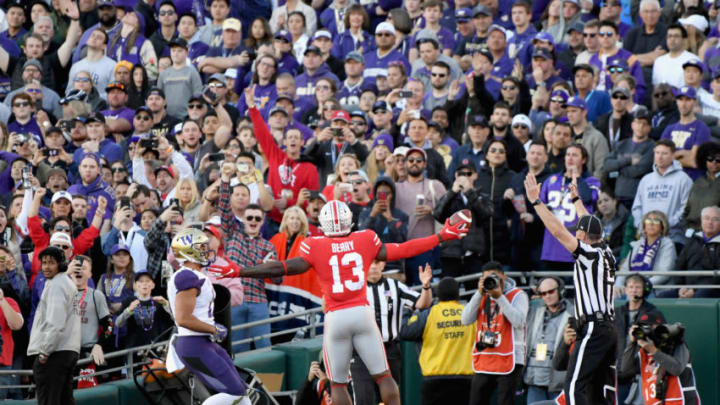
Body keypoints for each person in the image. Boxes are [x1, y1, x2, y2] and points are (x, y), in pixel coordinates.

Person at [215, 200, 470, 405]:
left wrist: (241, 271)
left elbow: (282, 266)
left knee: (337, 384)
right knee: (383, 376)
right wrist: (442, 236)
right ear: (349, 220)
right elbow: (404, 249)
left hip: (336, 317)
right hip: (361, 312)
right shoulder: (364, 239)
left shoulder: (314, 245)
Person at [524, 171, 617, 405]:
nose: (575, 233)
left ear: (583, 235)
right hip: (608, 328)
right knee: (596, 389)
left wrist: (536, 201)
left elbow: (557, 231)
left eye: (578, 231)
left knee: (574, 386)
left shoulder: (588, 254)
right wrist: (577, 201)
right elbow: (589, 223)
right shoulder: (606, 251)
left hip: (594, 326)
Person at [167, 228, 252, 405]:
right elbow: (183, 318)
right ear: (189, 251)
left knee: (242, 392)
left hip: (204, 342)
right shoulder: (187, 276)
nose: (206, 250)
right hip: (194, 342)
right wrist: (213, 328)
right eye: (202, 247)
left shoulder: (195, 275)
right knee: (234, 392)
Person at [350, 260, 432, 404]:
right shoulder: (353, 288)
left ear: (383, 264)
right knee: (363, 397)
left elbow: (423, 303)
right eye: (370, 262)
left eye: (377, 262)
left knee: (389, 399)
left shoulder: (395, 286)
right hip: (361, 352)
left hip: (389, 350)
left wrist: (426, 286)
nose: (374, 267)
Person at [399, 277, 476, 405]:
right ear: (458, 294)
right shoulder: (468, 314)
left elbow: (406, 331)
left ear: (437, 294)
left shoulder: (428, 314)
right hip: (465, 379)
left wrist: (407, 310)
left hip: (434, 380)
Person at [461, 261, 529, 405]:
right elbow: (465, 320)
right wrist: (478, 293)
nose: (492, 280)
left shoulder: (518, 295)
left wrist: (499, 297)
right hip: (485, 358)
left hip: (510, 359)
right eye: (487, 278)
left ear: (504, 277)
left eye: (495, 276)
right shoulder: (481, 295)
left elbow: (518, 322)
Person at [27, 246, 81, 405]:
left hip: (54, 353)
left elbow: (55, 323)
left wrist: (44, 352)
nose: (46, 267)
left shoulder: (57, 284)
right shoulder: (66, 282)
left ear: (60, 264)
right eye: (43, 263)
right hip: (67, 350)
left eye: (51, 263)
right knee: (65, 400)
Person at [620, 315, 700, 405]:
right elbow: (625, 370)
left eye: (650, 327)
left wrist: (654, 351)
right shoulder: (643, 353)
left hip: (681, 401)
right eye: (642, 327)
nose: (646, 331)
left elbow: (677, 369)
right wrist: (632, 343)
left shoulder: (676, 344)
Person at [613, 274, 666, 404]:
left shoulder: (653, 313)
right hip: (619, 374)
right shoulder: (617, 312)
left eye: (637, 287)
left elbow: (663, 340)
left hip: (643, 375)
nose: (634, 290)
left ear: (644, 290)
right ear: (625, 290)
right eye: (630, 287)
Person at [631, 140, 693, 249]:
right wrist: (642, 226)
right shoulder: (646, 179)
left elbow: (686, 208)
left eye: (664, 153)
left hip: (673, 238)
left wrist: (665, 225)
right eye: (657, 153)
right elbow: (637, 207)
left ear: (673, 155)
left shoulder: (683, 179)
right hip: (646, 239)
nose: (660, 157)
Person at [524, 277, 574, 404]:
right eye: (543, 293)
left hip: (559, 380)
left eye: (551, 292)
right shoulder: (533, 310)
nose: (547, 296)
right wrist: (530, 292)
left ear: (561, 291)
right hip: (533, 379)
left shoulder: (573, 314)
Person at [617, 211, 676, 293]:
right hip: (632, 287)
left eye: (656, 221)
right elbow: (624, 270)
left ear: (662, 226)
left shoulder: (667, 244)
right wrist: (618, 285)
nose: (651, 224)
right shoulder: (638, 244)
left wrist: (642, 285)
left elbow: (664, 274)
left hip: (654, 289)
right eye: (648, 221)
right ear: (644, 226)